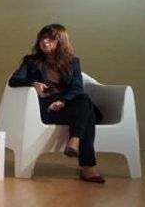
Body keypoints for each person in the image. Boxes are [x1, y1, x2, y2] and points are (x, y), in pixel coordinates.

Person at [8, 23, 105, 183]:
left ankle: (75, 139)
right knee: (87, 114)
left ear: (61, 41)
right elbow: (14, 80)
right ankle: (86, 165)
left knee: (83, 98)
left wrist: (63, 101)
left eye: (50, 39)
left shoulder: (73, 62)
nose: (45, 42)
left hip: (69, 107)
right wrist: (33, 83)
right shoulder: (31, 61)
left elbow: (77, 88)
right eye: (42, 38)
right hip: (48, 109)